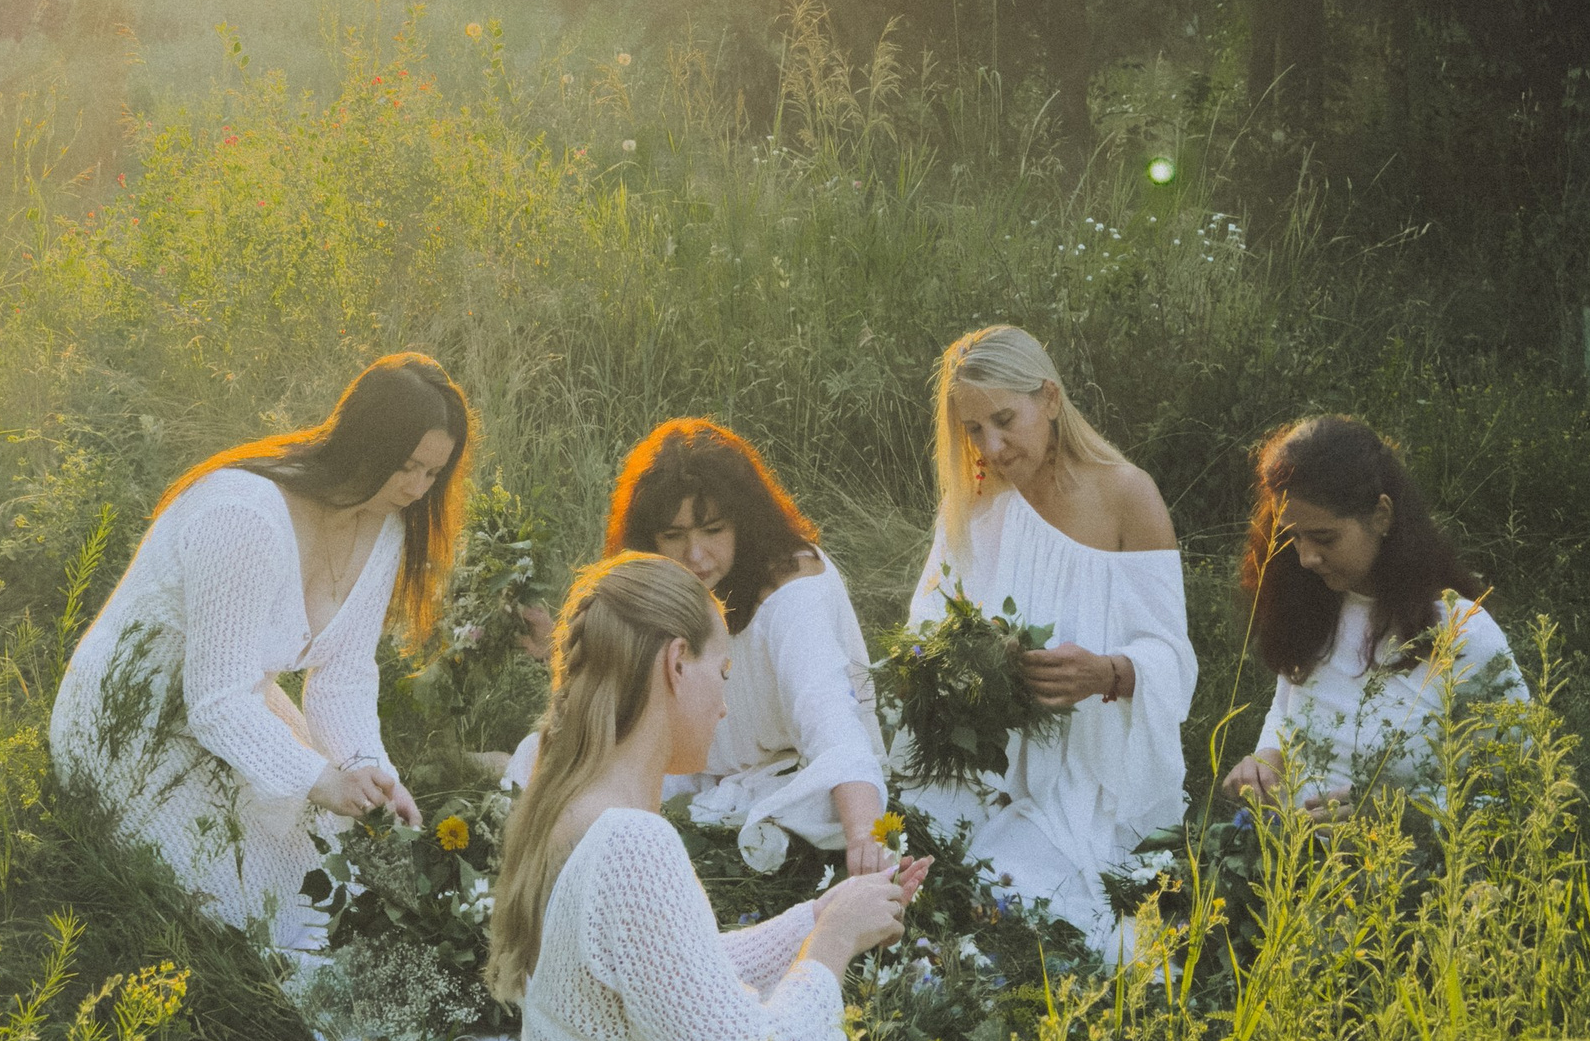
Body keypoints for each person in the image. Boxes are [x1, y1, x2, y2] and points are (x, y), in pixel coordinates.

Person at [487, 553, 929, 1041]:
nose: (727, 705)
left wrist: (823, 911)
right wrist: (829, 946)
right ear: (675, 662)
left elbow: (677, 975)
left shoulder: (575, 809)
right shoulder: (630, 843)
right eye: (724, 673)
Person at [50, 352, 472, 953]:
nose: (416, 488)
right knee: (273, 908)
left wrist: (362, 768)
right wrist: (316, 777)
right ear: (363, 445)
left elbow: (343, 675)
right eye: (405, 465)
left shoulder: (386, 526)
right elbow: (217, 700)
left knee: (338, 852)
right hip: (130, 721)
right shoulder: (243, 514)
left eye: (433, 473)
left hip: (234, 698)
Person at [902, 324, 1195, 958]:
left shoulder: (1126, 495)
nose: (993, 446)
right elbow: (923, 630)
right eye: (973, 431)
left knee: (1032, 907)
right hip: (985, 759)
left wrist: (1109, 673)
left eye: (1005, 419)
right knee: (912, 865)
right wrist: (972, 661)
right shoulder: (976, 503)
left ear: (1052, 400)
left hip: (1090, 774)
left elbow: (1173, 657)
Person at [606, 419, 893, 876]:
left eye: (712, 530)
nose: (695, 557)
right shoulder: (666, 587)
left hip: (803, 780)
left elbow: (832, 722)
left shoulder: (791, 587)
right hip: (707, 774)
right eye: (674, 536)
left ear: (744, 520)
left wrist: (864, 838)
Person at [1219, 412, 1526, 811]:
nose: (1306, 557)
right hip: (1294, 862)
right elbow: (1286, 708)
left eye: (1324, 538)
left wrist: (1399, 817)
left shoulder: (1462, 632)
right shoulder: (1312, 603)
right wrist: (1266, 757)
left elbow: (1519, 790)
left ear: (1381, 515)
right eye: (1292, 536)